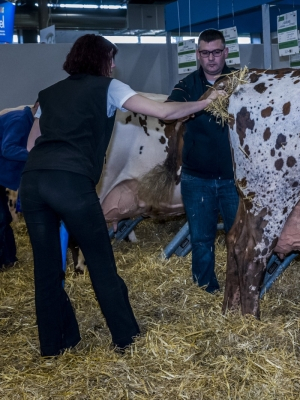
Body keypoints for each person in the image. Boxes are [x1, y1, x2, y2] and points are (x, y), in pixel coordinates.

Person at [21, 34, 225, 357]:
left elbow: (31, 145)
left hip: (33, 185)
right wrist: (205, 102)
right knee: (102, 265)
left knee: (46, 273)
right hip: (72, 184)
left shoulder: (47, 95)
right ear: (98, 60)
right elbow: (163, 112)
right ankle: (127, 340)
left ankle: (54, 347)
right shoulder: (109, 88)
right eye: (111, 59)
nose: (114, 65)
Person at [167, 29, 239, 293]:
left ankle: (238, 287)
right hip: (197, 178)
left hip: (234, 178)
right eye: (206, 53)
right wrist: (204, 102)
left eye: (217, 52)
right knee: (201, 239)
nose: (211, 58)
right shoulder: (187, 86)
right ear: (198, 55)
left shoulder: (240, 81)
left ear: (226, 52)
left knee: (238, 238)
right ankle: (205, 288)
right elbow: (168, 113)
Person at [0, 101, 38, 269]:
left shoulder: (29, 122)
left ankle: (9, 260)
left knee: (3, 219)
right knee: (1, 219)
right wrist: (35, 154)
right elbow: (7, 149)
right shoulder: (20, 120)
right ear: (37, 106)